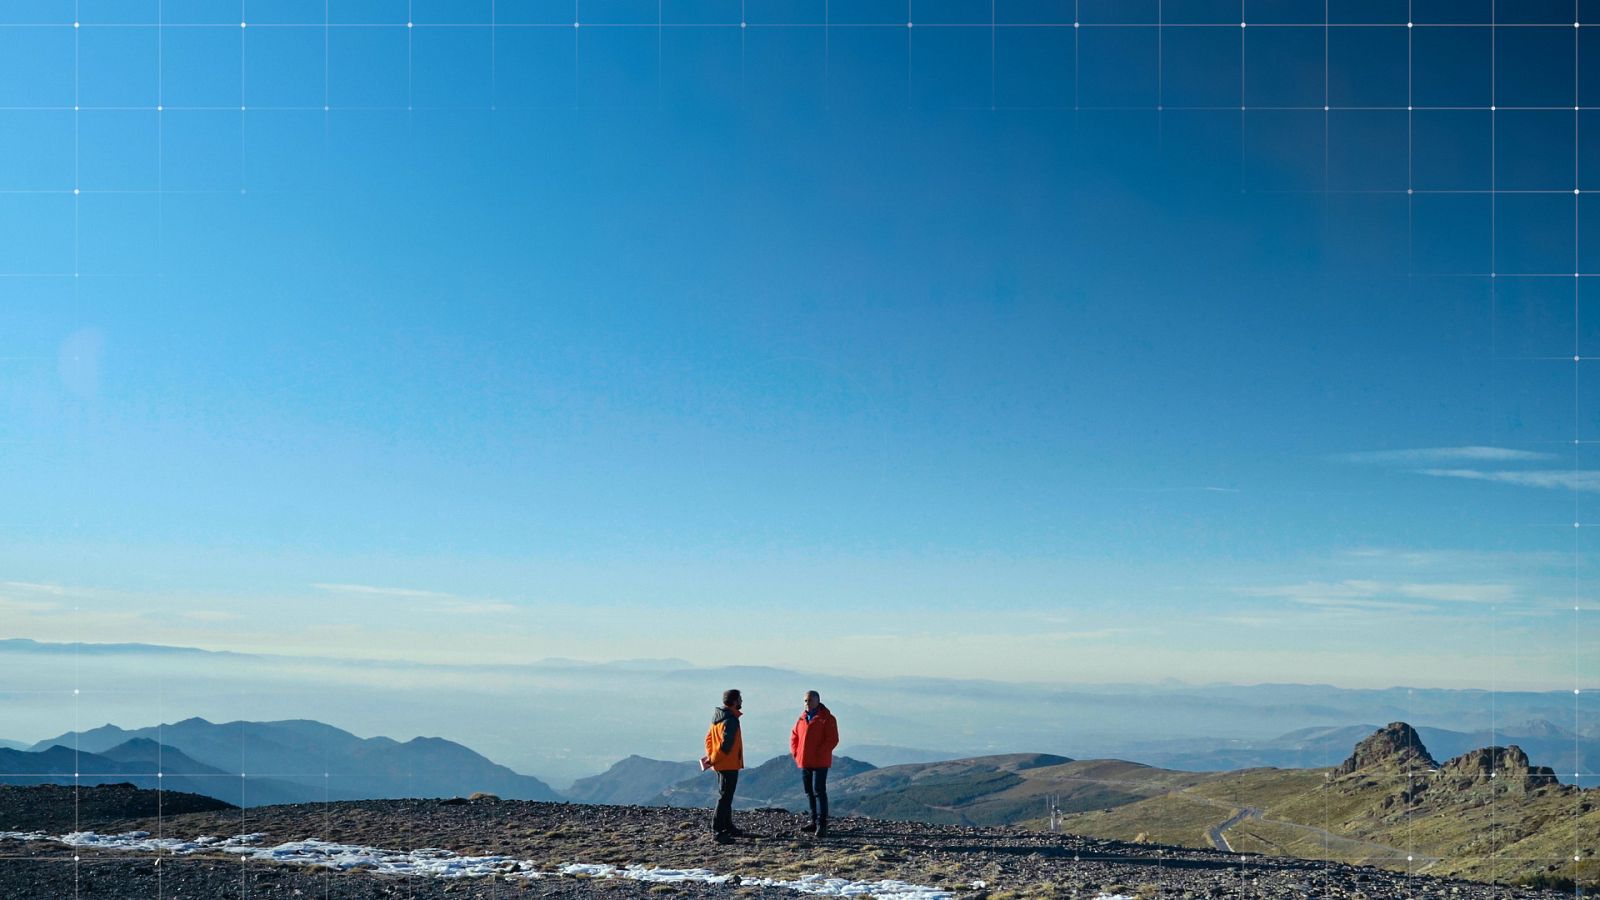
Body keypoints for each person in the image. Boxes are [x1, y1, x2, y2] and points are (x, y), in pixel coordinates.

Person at [789, 689, 839, 837]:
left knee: (819, 791)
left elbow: (832, 739)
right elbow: (794, 736)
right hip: (804, 761)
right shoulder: (802, 718)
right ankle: (813, 821)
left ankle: (822, 825)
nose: (807, 703)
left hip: (820, 762)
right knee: (809, 792)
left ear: (817, 701)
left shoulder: (827, 718)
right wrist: (796, 753)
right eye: (805, 700)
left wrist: (819, 753)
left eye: (809, 700)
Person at [704, 688, 745, 842]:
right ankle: (718, 830)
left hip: (721, 764)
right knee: (725, 797)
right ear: (734, 701)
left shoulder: (718, 718)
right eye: (740, 699)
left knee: (726, 796)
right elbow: (725, 746)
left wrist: (711, 756)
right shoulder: (730, 720)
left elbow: (708, 739)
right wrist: (715, 758)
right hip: (728, 764)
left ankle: (728, 826)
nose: (741, 701)